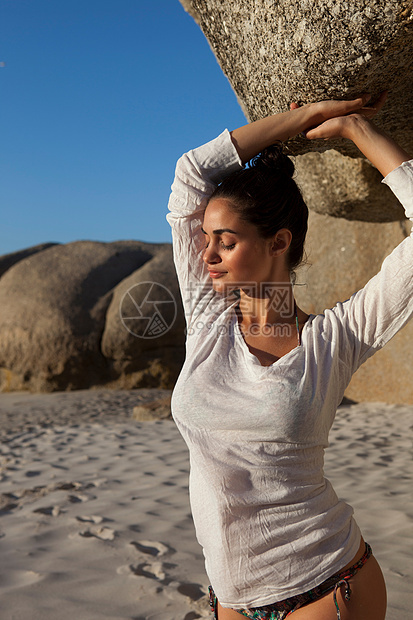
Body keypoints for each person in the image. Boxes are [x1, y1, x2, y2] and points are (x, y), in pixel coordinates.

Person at [166, 94, 412, 620]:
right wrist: (300, 119)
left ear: (279, 241)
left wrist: (356, 131)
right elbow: (191, 173)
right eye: (205, 239)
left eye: (225, 242)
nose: (206, 254)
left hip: (327, 588)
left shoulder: (335, 339)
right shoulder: (209, 321)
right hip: (230, 597)